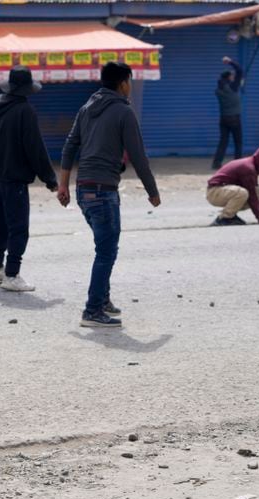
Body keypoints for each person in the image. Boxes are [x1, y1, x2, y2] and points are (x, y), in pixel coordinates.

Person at [58, 62, 161, 328]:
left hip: (84, 190)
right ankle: (92, 311)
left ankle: (102, 300)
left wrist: (63, 185)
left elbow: (70, 145)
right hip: (103, 192)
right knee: (106, 252)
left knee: (103, 248)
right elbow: (138, 155)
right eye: (129, 81)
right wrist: (152, 191)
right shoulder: (123, 111)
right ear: (123, 82)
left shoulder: (87, 108)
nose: (130, 86)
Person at [0, 66, 57, 292]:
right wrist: (49, 178)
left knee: (2, 224)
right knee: (18, 227)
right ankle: (12, 274)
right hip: (13, 177)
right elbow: (35, 148)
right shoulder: (25, 111)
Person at [207, 144, 259, 226]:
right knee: (242, 193)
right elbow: (252, 194)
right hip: (215, 192)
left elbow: (255, 192)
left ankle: (231, 215)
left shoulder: (252, 166)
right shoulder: (248, 168)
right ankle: (224, 218)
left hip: (223, 191)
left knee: (258, 193)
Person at [212, 56, 243, 170]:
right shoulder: (233, 87)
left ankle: (216, 163)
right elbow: (239, 71)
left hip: (224, 118)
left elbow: (236, 75)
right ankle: (238, 164)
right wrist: (230, 62)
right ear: (229, 77)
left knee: (223, 142)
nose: (233, 76)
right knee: (238, 142)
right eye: (232, 75)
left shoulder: (218, 90)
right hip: (234, 118)